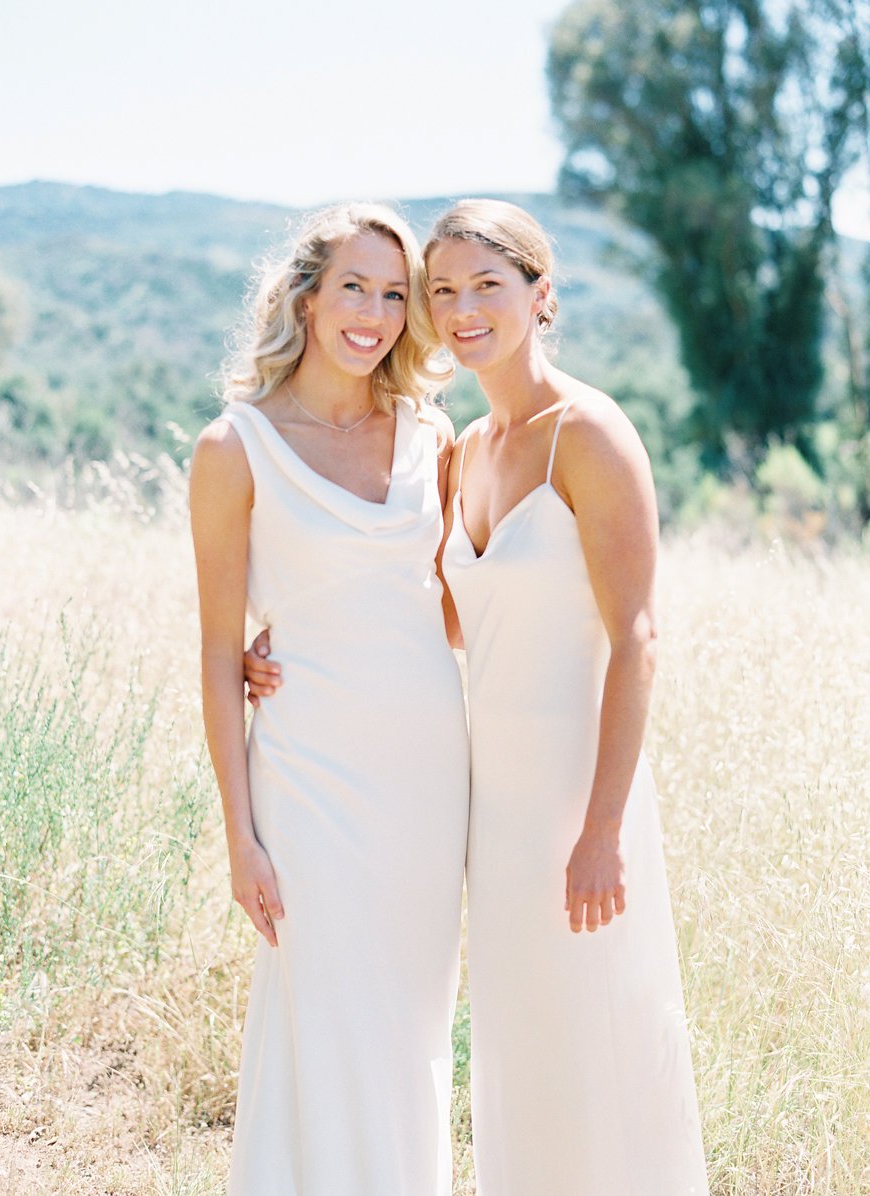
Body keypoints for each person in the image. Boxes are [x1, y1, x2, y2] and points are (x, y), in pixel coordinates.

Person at [246, 198, 709, 1194]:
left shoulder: (590, 432)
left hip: (583, 803)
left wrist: (604, 827)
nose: (462, 310)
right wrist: (291, 640)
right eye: (442, 290)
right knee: (518, 1055)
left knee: (604, 1046)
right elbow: (443, 616)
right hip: (487, 809)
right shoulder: (462, 451)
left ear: (541, 297)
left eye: (486, 286)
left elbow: (638, 638)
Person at [189, 203, 469, 1196]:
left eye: (396, 294)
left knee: (408, 1034)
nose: (376, 313)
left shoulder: (434, 435)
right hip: (307, 784)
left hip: (431, 783)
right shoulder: (235, 449)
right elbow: (220, 652)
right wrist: (240, 836)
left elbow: (450, 608)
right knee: (322, 1022)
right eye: (355, 285)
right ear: (305, 296)